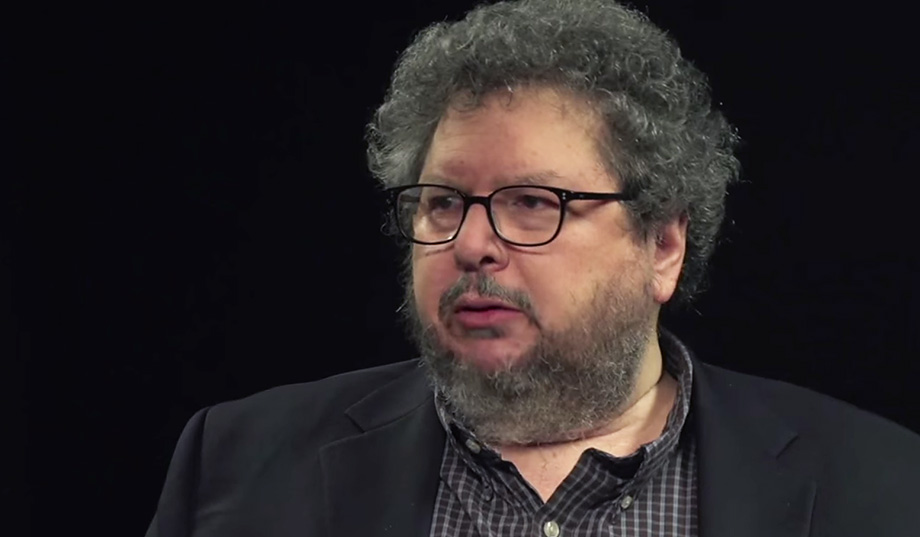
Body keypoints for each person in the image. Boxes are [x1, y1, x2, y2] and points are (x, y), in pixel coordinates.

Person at [146, 1, 920, 535]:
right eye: (443, 203)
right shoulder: (237, 465)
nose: (472, 244)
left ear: (663, 245)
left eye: (531, 203)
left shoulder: (882, 487)